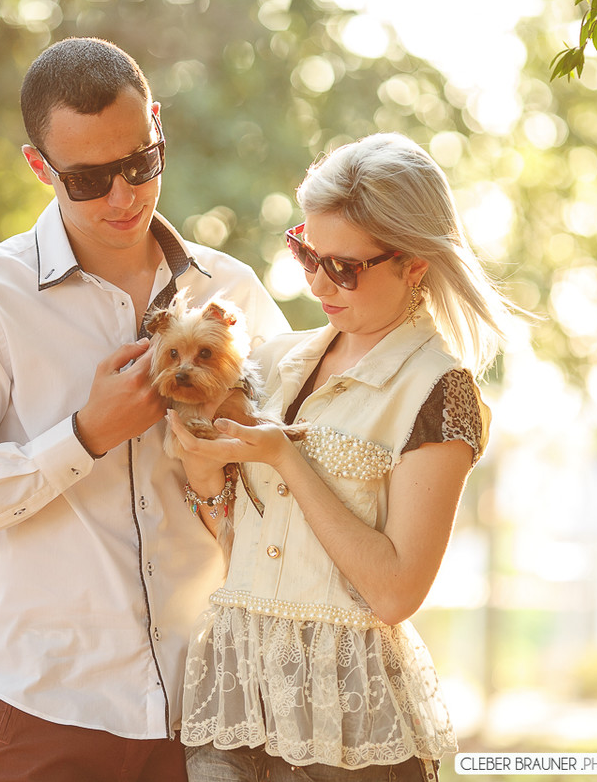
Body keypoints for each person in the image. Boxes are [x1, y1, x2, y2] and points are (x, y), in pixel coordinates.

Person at [0, 37, 289, 782]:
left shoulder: (235, 293)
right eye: (87, 178)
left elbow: (292, 470)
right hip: (49, 713)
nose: (124, 197)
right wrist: (83, 435)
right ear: (39, 168)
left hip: (217, 707)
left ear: (156, 125)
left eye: (142, 163)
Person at [167, 133, 524, 781]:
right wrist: (201, 471)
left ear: (414, 263)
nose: (317, 282)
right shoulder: (275, 361)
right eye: (308, 252)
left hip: (350, 738)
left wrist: (287, 459)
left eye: (344, 267)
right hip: (235, 703)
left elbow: (393, 592)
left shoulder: (440, 390)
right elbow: (232, 540)